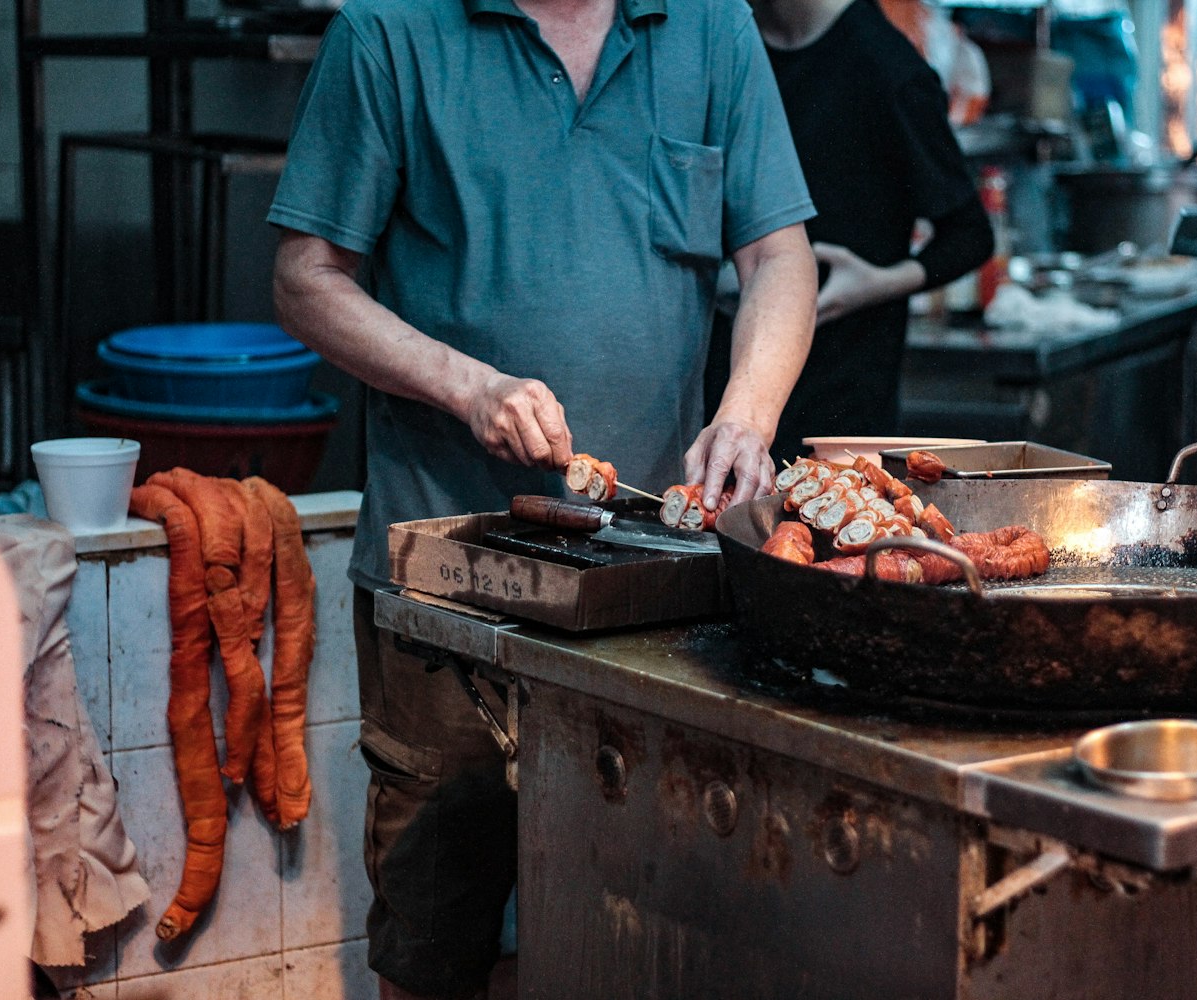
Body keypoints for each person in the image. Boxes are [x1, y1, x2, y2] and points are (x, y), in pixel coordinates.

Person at [265, 0, 818, 994]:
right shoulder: (389, 32)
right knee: (439, 935)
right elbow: (307, 279)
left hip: (655, 581)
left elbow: (778, 253)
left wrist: (748, 413)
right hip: (447, 577)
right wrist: (468, 385)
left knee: (645, 921)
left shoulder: (710, 28)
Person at [705, 0, 994, 462]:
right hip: (727, 377)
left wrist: (876, 284)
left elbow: (970, 234)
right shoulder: (734, 47)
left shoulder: (886, 65)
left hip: (844, 382)